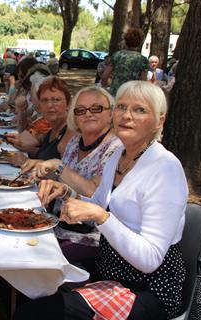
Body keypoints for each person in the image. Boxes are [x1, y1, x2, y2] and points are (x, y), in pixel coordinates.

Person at [15, 81, 187, 320]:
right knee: (33, 278)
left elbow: (150, 260)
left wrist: (102, 217)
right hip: (109, 267)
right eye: (122, 107)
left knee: (34, 313)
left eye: (140, 110)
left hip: (147, 288)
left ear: (159, 121)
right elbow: (96, 202)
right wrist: (64, 191)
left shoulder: (165, 168)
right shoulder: (120, 155)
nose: (127, 115)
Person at [21, 86, 122, 261]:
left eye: (96, 108)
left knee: (30, 254)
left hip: (91, 237)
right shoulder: (76, 141)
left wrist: (58, 165)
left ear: (110, 113)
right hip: (57, 223)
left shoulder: (116, 148)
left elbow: (94, 193)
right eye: (81, 110)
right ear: (74, 116)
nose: (88, 114)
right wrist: (42, 171)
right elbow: (63, 181)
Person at [6, 76, 76, 166]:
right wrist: (27, 149)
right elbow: (46, 155)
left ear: (68, 104)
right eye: (44, 100)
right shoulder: (53, 128)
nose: (50, 105)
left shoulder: (70, 133)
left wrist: (27, 162)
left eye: (56, 100)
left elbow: (66, 174)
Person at [101, 27, 148, 96]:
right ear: (140, 42)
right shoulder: (143, 60)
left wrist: (106, 88)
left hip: (115, 93)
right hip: (132, 95)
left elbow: (104, 77)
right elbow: (142, 83)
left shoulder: (116, 55)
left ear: (125, 40)